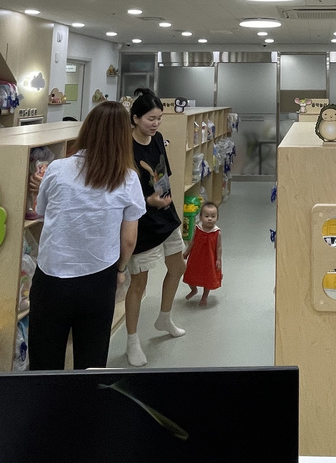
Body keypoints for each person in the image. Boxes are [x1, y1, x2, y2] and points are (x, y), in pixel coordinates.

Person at [28, 101, 145, 370]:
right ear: (123, 137)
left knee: (44, 362)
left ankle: (45, 398)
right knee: (91, 361)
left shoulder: (57, 168)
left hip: (52, 277)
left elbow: (42, 212)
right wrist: (121, 270)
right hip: (98, 278)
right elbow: (129, 239)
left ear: (87, 129)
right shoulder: (127, 178)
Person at [125, 88, 188, 366]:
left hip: (166, 214)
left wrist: (163, 197)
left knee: (178, 267)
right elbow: (122, 190)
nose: (156, 123)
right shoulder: (125, 146)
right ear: (136, 118)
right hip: (140, 221)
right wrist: (148, 200)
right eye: (151, 118)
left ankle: (164, 318)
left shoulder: (158, 138)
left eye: (159, 118)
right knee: (139, 283)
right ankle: (132, 341)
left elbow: (162, 172)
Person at [184, 200, 223, 306]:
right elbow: (193, 242)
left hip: (210, 260)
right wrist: (187, 252)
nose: (210, 219)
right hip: (196, 258)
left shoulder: (217, 232)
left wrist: (218, 259)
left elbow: (219, 247)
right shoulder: (197, 229)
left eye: (213, 216)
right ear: (201, 217)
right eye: (206, 216)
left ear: (217, 218)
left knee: (208, 278)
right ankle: (194, 289)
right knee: (190, 275)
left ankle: (205, 296)